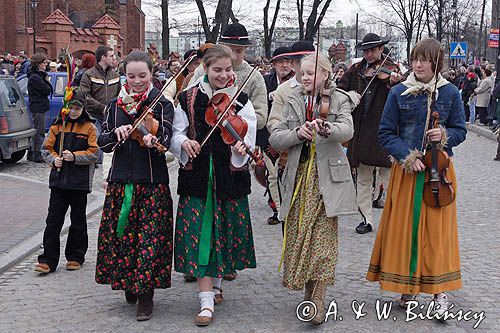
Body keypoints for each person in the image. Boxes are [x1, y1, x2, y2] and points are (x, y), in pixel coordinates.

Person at [366, 38, 467, 318]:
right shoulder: (399, 92)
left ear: (436, 62)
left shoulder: (450, 94)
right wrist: (406, 156)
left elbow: (460, 129)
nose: (418, 64)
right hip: (408, 172)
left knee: (437, 234)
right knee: (406, 232)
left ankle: (439, 293)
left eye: (424, 60)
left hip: (440, 173)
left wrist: (445, 135)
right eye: (415, 59)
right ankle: (407, 287)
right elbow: (386, 133)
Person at [170, 45, 257, 326]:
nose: (224, 75)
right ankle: (205, 302)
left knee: (224, 230)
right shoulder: (187, 98)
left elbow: (249, 132)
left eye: (228, 69)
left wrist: (244, 147)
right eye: (217, 70)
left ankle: (217, 284)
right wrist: (184, 142)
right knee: (200, 232)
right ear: (205, 70)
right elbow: (177, 133)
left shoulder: (241, 99)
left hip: (228, 175)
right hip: (198, 176)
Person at [269, 53, 357, 325]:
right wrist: (297, 133)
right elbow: (275, 136)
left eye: (311, 72)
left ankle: (317, 298)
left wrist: (328, 128)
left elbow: (347, 129)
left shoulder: (338, 98)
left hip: (327, 180)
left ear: (325, 74)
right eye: (302, 73)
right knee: (301, 237)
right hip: (298, 179)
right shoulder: (293, 99)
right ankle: (308, 291)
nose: (305, 77)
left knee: (323, 240)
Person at [95, 51, 174, 321]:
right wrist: (114, 135)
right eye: (131, 76)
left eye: (143, 75)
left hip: (152, 183)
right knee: (123, 238)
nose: (137, 81)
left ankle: (146, 295)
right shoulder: (114, 105)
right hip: (121, 181)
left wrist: (153, 139)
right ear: (124, 75)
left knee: (149, 241)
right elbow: (102, 143)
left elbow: (165, 136)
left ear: (151, 74)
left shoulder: (161, 103)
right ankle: (129, 282)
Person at [337, 33, 403, 234]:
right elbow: (339, 91)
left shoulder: (392, 69)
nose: (370, 54)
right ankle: (367, 219)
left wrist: (395, 82)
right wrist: (350, 96)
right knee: (363, 178)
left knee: (389, 179)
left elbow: (402, 92)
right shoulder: (356, 69)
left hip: (385, 130)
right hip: (362, 129)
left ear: (382, 49)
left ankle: (393, 220)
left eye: (373, 50)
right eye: (366, 51)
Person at [34, 88, 98, 274]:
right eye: (71, 108)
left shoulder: (89, 127)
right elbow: (46, 149)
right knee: (53, 221)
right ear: (66, 107)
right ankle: (48, 259)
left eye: (77, 108)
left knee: (78, 221)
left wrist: (75, 157)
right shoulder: (57, 126)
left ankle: (75, 256)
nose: (74, 112)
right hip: (59, 182)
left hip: (79, 183)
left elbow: (94, 153)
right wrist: (55, 159)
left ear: (83, 109)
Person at [260, 46, 293, 225]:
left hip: (289, 135)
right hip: (268, 135)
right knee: (272, 174)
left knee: (288, 174)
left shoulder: (296, 83)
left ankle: (289, 208)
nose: (285, 65)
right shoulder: (265, 82)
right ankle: (277, 209)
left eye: (288, 62)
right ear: (274, 64)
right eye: (281, 62)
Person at [80, 45, 121, 165]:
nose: (114, 58)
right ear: (103, 57)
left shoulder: (115, 75)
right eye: (111, 56)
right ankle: (94, 165)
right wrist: (102, 108)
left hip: (110, 116)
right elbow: (85, 96)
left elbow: (120, 95)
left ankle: (106, 166)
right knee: (96, 142)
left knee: (109, 145)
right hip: (93, 116)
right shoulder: (89, 74)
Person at [27, 53, 53, 163]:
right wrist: (46, 79)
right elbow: (47, 90)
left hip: (40, 105)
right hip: (38, 106)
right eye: (44, 63)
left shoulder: (38, 76)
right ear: (38, 64)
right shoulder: (35, 77)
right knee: (39, 131)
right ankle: (37, 154)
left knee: (38, 131)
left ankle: (31, 153)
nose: (45, 64)